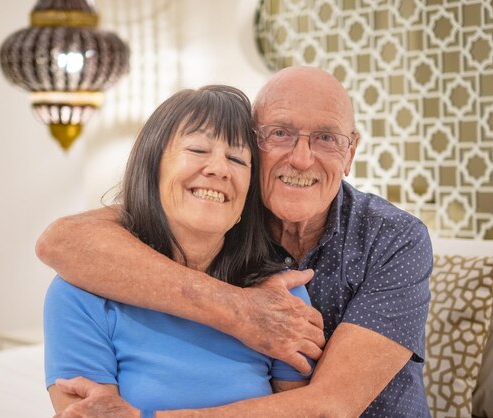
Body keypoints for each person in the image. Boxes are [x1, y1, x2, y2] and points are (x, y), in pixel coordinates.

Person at [37, 66, 433, 417]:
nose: (300, 158)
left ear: (351, 153)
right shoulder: (221, 217)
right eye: (280, 133)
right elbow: (63, 240)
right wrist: (239, 310)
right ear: (258, 147)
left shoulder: (392, 239)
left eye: (326, 138)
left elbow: (327, 407)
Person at [43, 85, 315, 415]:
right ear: (152, 169)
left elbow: (299, 411)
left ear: (248, 199)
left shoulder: (280, 297)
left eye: (236, 158)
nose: (219, 169)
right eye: (198, 150)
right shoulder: (80, 294)